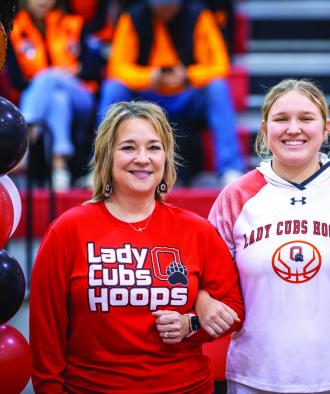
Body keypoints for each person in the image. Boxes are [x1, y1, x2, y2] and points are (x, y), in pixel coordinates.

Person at [204, 78, 330, 393]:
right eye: (281, 119)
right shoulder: (236, 195)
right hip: (256, 376)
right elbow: (205, 273)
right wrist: (203, 298)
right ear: (264, 129)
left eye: (306, 118)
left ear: (326, 127)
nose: (293, 128)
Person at [29, 101, 244, 393]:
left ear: (165, 158)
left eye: (154, 148)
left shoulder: (197, 230)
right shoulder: (67, 231)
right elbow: (46, 336)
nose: (143, 158)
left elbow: (234, 309)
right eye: (128, 147)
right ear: (107, 155)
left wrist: (190, 323)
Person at [97, 0, 244, 185]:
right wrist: (149, 77)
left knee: (218, 88)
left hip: (187, 94)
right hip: (146, 96)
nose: (165, 9)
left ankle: (230, 168)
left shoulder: (199, 15)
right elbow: (117, 67)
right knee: (113, 88)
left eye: (169, 5)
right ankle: (101, 166)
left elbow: (220, 64)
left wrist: (188, 76)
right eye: (160, 5)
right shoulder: (132, 17)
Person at [7, 0, 99, 190]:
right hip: (43, 97)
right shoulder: (14, 30)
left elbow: (95, 65)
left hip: (81, 95)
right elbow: (16, 80)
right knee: (58, 99)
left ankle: (25, 136)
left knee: (49, 77)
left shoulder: (73, 23)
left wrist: (75, 71)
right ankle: (60, 168)